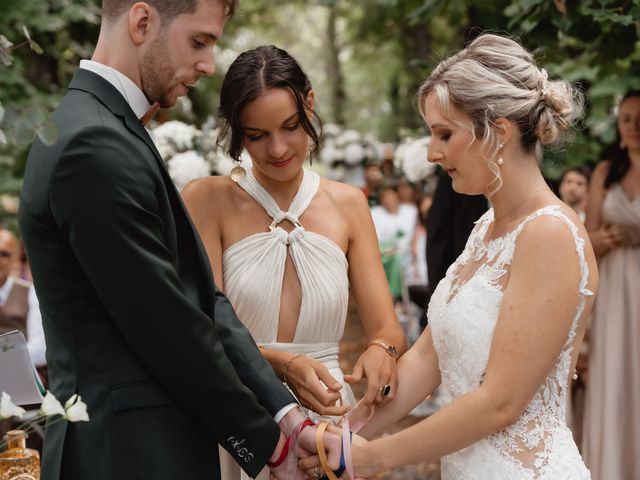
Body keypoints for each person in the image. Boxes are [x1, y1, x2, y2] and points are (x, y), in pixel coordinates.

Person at [18, 3, 341, 480]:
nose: (210, 64)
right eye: (200, 41)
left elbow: (200, 299)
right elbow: (167, 327)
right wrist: (273, 447)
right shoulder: (94, 145)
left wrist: (286, 419)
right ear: (142, 21)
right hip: (126, 457)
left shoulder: (106, 128)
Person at [301, 33, 598, 480]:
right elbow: (429, 357)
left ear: (497, 132)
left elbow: (501, 402)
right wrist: (343, 434)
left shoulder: (550, 235)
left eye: (444, 133)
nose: (431, 153)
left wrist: (376, 456)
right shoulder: (487, 229)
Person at [182, 44, 406, 480]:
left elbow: (388, 327)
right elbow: (201, 325)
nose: (279, 148)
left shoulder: (348, 204)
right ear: (236, 132)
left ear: (310, 103)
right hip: (238, 416)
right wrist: (284, 365)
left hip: (327, 422)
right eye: (257, 135)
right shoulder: (207, 200)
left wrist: (383, 350)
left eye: (289, 126)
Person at [583, 90, 640, 480]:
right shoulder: (605, 172)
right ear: (619, 127)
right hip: (614, 290)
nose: (634, 126)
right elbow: (586, 239)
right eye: (626, 119)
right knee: (615, 373)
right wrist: (602, 241)